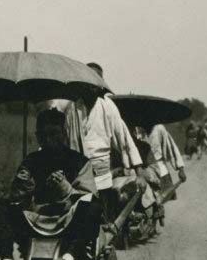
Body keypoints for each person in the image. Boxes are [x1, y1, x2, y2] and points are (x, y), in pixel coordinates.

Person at [0, 109, 116, 260]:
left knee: (94, 207)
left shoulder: (79, 161)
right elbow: (16, 199)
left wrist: (65, 189)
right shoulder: (31, 161)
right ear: (37, 137)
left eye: (54, 133)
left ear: (64, 134)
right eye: (43, 135)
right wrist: (21, 185)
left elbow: (88, 195)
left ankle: (68, 259)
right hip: (36, 218)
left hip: (66, 219)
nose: (49, 140)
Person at [41, 62, 147, 219]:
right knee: (74, 211)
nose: (91, 85)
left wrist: (139, 173)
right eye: (88, 80)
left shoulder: (108, 106)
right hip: (76, 169)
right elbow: (61, 138)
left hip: (101, 170)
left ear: (101, 84)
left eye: (96, 80)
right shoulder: (72, 107)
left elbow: (124, 138)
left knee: (100, 213)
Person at [144, 123, 186, 199]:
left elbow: (171, 146)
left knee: (162, 200)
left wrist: (181, 168)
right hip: (144, 172)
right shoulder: (137, 130)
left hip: (161, 171)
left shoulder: (159, 128)